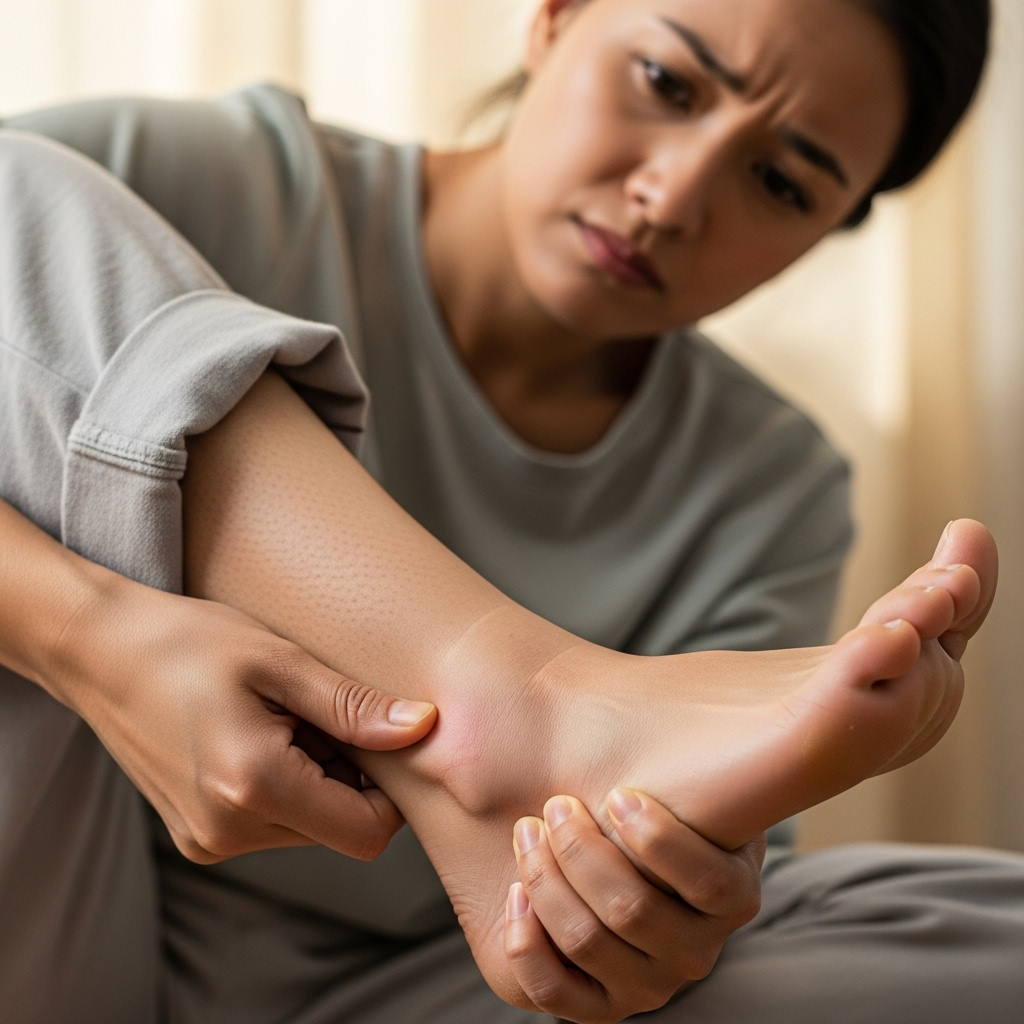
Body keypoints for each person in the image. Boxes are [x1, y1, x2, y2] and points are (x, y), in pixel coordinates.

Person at [0, 0, 1021, 1022]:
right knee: (16, 190)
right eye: (668, 83)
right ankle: (521, 708)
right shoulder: (193, 180)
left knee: (983, 931)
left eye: (778, 181)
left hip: (435, 991)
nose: (670, 196)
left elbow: (674, 898)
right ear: (554, 18)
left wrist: (645, 916)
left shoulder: (770, 485)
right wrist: (91, 639)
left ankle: (533, 728)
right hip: (52, 903)